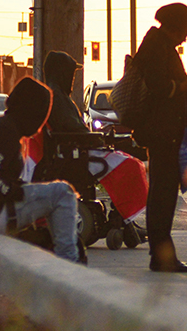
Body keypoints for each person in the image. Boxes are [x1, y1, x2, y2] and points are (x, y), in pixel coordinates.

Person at [0, 77, 81, 263]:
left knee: (45, 193)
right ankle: (69, 262)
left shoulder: (4, 128)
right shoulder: (6, 131)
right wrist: (15, 192)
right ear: (32, 111)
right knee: (62, 192)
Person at [34, 51, 148, 230]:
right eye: (71, 73)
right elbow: (72, 128)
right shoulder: (56, 97)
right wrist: (98, 139)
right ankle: (125, 217)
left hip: (80, 149)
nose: (73, 79)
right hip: (76, 154)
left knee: (130, 157)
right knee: (131, 166)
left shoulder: (59, 95)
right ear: (61, 73)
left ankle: (125, 216)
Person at [133, 2, 187, 273]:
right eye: (185, 30)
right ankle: (162, 255)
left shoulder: (158, 44)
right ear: (175, 26)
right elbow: (159, 85)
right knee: (163, 193)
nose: (186, 37)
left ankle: (162, 254)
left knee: (163, 192)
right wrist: (185, 85)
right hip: (163, 131)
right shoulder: (158, 47)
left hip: (165, 130)